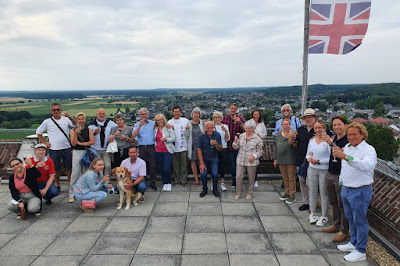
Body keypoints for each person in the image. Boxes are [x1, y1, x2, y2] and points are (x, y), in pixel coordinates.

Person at [334, 123, 377, 263]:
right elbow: (345, 167)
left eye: (354, 134)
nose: (351, 137)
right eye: (349, 134)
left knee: (360, 221)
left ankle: (360, 250)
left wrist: (346, 157)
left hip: (360, 190)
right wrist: (342, 181)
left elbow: (366, 166)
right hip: (346, 188)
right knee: (350, 218)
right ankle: (353, 242)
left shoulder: (369, 150)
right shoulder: (347, 147)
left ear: (362, 135)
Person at [321, 115, 350, 242]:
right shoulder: (335, 139)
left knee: (342, 203)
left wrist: (331, 143)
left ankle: (344, 230)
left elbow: (344, 155)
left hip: (341, 175)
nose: (337, 127)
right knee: (333, 201)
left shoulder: (348, 140)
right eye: (334, 125)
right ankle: (336, 224)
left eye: (339, 124)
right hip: (330, 172)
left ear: (345, 126)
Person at [36, 103, 76, 190]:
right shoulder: (47, 122)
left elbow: (75, 125)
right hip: (54, 149)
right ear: (51, 111)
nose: (56, 111)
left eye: (58, 109)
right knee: (55, 169)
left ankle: (70, 183)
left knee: (69, 167)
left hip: (66, 147)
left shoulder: (66, 119)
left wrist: (70, 117)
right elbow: (39, 132)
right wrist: (44, 143)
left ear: (61, 110)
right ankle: (57, 184)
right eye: (54, 110)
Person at [306, 120, 331, 227]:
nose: (318, 130)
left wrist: (319, 161)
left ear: (324, 128)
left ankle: (324, 215)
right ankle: (312, 213)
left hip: (324, 169)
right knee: (312, 191)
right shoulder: (311, 141)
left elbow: (330, 157)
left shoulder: (328, 142)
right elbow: (307, 154)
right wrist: (309, 159)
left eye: (320, 128)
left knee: (324, 193)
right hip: (312, 169)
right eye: (316, 128)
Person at [232, 119, 263, 200]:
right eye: (246, 128)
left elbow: (260, 151)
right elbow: (235, 147)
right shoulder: (241, 136)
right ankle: (238, 193)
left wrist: (254, 156)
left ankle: (250, 193)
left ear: (253, 128)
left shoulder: (257, 138)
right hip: (240, 160)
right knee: (238, 177)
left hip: (251, 161)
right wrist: (235, 142)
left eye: (250, 128)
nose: (248, 130)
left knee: (251, 178)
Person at [69, 112, 95, 203]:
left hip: (86, 152)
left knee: (87, 172)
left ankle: (86, 191)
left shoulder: (89, 130)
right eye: (79, 119)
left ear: (85, 120)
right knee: (75, 173)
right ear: (77, 120)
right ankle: (71, 193)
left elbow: (92, 141)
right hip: (76, 152)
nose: (81, 121)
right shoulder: (73, 130)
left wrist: (82, 143)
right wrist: (76, 134)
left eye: (83, 119)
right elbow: (73, 143)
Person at [295, 108, 318, 211]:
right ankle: (306, 202)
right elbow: (296, 144)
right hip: (301, 160)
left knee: (311, 184)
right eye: (306, 118)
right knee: (302, 182)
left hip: (313, 161)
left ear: (314, 118)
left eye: (310, 117)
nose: (308, 119)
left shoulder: (318, 130)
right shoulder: (301, 129)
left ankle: (313, 203)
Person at [132, 108, 157, 190]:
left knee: (153, 166)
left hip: (151, 147)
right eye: (142, 114)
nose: (143, 116)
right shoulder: (136, 125)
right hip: (142, 148)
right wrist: (139, 126)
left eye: (145, 114)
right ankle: (144, 182)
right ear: (139, 116)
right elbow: (134, 135)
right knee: (143, 166)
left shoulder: (153, 123)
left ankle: (153, 183)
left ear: (148, 115)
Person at [273, 119, 297, 204]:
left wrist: (292, 138)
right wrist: (275, 159)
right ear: (282, 126)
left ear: (290, 125)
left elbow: (296, 145)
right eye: (284, 124)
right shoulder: (279, 135)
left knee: (291, 177)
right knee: (285, 177)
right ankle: (287, 192)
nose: (286, 126)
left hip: (290, 158)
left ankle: (292, 195)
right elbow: (276, 147)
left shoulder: (294, 134)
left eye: (287, 124)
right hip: (281, 158)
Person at [223, 103, 246, 187]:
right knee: (232, 164)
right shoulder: (225, 119)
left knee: (239, 164)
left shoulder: (241, 119)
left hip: (239, 146)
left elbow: (245, 129)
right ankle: (234, 180)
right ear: (229, 109)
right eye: (232, 108)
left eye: (234, 109)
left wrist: (239, 122)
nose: (233, 110)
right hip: (228, 145)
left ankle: (238, 180)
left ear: (237, 110)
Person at [197, 121, 222, 198]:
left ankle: (215, 189)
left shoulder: (217, 135)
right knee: (203, 174)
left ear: (214, 127)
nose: (210, 129)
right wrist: (201, 163)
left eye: (211, 127)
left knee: (215, 174)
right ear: (205, 128)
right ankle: (204, 189)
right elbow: (199, 149)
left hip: (214, 158)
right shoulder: (201, 136)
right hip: (204, 158)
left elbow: (220, 149)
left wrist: (216, 144)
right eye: (208, 127)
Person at [88, 108, 117, 176]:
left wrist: (112, 134)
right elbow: (88, 137)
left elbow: (118, 127)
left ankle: (107, 181)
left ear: (105, 114)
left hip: (106, 149)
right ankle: (97, 180)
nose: (101, 115)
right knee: (96, 167)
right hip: (95, 149)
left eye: (103, 113)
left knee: (108, 166)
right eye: (99, 113)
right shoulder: (91, 125)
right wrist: (94, 133)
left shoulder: (110, 123)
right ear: (96, 114)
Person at [168, 106, 190, 186]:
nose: (176, 113)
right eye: (175, 112)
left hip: (184, 146)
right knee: (175, 166)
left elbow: (188, 134)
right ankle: (177, 181)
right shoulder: (169, 122)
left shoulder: (185, 121)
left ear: (180, 112)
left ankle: (183, 181)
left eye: (178, 111)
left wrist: (187, 129)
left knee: (184, 165)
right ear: (173, 113)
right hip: (173, 148)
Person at [154, 113, 175, 191]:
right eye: (158, 120)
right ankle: (164, 183)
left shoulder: (168, 127)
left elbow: (173, 138)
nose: (159, 121)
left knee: (166, 168)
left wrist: (166, 139)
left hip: (167, 151)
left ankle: (169, 183)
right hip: (158, 151)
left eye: (161, 119)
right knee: (161, 168)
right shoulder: (155, 129)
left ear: (163, 120)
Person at [186, 107, 205, 187]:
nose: (196, 115)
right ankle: (196, 179)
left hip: (201, 146)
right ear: (192, 115)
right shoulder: (189, 124)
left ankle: (202, 179)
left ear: (199, 115)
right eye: (194, 114)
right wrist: (186, 130)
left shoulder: (202, 123)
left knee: (201, 162)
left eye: (197, 114)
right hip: (192, 146)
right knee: (193, 162)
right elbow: (186, 136)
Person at [213, 111, 230, 191]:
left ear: (221, 118)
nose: (217, 119)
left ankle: (222, 182)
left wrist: (226, 131)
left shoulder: (225, 126)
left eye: (218, 117)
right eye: (215, 117)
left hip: (223, 148)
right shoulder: (212, 127)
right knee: (214, 166)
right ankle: (214, 183)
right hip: (214, 148)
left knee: (222, 166)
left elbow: (228, 139)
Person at [251, 109, 267, 188]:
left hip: (259, 146)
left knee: (257, 164)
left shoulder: (262, 124)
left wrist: (258, 134)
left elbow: (265, 134)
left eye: (257, 114)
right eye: (255, 114)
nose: (256, 116)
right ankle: (251, 180)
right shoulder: (250, 123)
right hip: (250, 146)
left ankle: (255, 180)